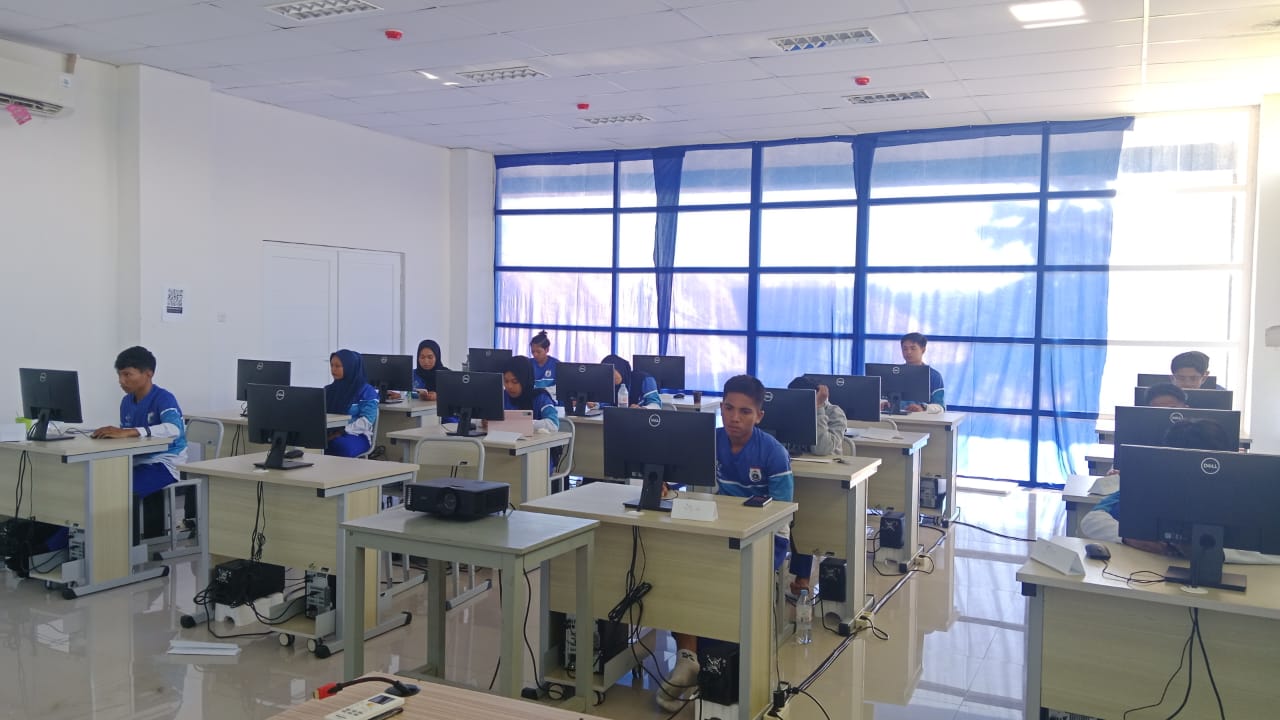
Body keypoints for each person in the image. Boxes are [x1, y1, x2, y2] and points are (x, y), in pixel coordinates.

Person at [658, 374, 802, 711]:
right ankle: (688, 656)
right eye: (728, 408)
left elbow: (783, 514)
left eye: (745, 412)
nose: (734, 418)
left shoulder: (773, 452)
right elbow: (682, 476)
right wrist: (664, 484)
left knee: (719, 578)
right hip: (720, 529)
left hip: (766, 537)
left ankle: (708, 659)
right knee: (675, 565)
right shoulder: (710, 440)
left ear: (759, 416)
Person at [1080, 420, 1279, 564]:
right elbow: (1092, 519)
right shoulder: (1153, 484)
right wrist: (1128, 537)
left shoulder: (1252, 491)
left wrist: (1208, 551)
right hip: (1156, 573)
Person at [91, 346, 189, 540]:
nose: (122, 381)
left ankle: (123, 545)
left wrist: (132, 431)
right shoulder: (126, 402)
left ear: (148, 374)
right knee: (94, 488)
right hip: (135, 462)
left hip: (164, 464)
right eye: (119, 375)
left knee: (114, 494)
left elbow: (174, 428)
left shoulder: (163, 398)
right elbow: (126, 438)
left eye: (127, 374)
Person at [325, 349, 378, 457]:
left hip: (357, 434)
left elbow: (367, 421)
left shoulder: (366, 391)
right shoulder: (328, 390)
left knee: (338, 446)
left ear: (350, 367)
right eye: (331, 365)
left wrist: (341, 431)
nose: (333, 369)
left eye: (338, 366)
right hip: (329, 432)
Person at [787, 375, 848, 457]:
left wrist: (818, 408)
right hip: (797, 462)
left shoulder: (835, 413)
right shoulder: (790, 410)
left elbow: (821, 449)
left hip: (826, 463)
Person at [887, 332, 945, 412]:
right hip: (894, 417)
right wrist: (884, 403)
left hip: (922, 418)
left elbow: (940, 407)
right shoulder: (895, 373)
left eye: (913, 348)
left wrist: (923, 408)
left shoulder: (933, 376)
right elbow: (885, 397)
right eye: (905, 349)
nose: (908, 352)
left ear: (923, 350)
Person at [501, 355, 560, 433]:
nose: (509, 386)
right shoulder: (502, 396)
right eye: (506, 381)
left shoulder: (540, 397)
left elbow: (553, 425)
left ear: (525, 379)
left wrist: (521, 424)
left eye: (515, 381)